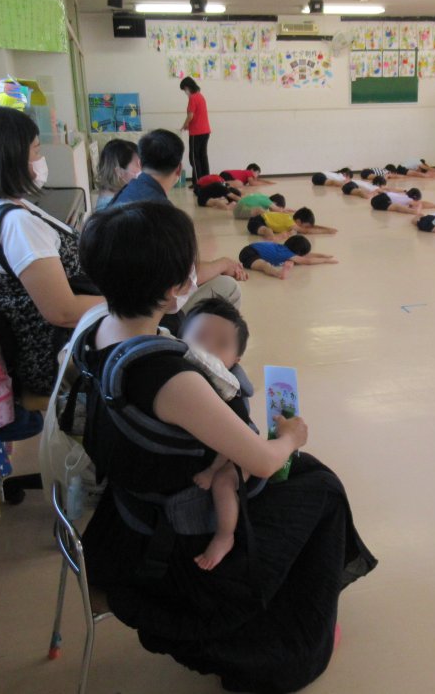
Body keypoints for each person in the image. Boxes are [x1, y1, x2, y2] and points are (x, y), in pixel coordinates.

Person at [76, 202, 375, 693]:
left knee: (302, 478)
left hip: (129, 507)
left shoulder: (98, 329)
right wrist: (292, 437)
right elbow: (261, 457)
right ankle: (298, 629)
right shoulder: (171, 378)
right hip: (175, 541)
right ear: (176, 287)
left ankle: (290, 596)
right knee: (318, 484)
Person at [0, 105, 104, 396]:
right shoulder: (17, 225)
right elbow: (62, 311)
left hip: (41, 349)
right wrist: (133, 301)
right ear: (10, 158)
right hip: (55, 357)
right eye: (36, 151)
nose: (41, 160)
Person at [111, 129, 248, 310]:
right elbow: (185, 280)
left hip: (115, 299)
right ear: (179, 169)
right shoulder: (169, 217)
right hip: (147, 310)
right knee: (228, 287)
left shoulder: (121, 196)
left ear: (140, 162)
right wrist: (223, 263)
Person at [180, 298, 252, 570]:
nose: (208, 348)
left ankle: (225, 537)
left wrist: (212, 471)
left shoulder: (227, 393)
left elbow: (233, 443)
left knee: (223, 484)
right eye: (199, 338)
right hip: (219, 444)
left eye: (222, 345)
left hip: (237, 453)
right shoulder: (181, 376)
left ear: (235, 360)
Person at [238, 236, 338, 279]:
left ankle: (279, 272)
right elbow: (307, 261)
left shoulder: (285, 248)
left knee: (264, 263)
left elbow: (306, 255)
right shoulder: (287, 254)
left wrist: (323, 255)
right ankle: (279, 274)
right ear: (298, 253)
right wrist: (325, 260)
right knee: (265, 265)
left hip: (251, 249)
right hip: (250, 254)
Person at [180, 77, 211, 187]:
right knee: (202, 156)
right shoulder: (200, 96)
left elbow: (191, 115)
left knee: (194, 158)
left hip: (197, 132)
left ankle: (198, 182)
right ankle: (206, 180)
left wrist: (184, 125)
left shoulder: (193, 98)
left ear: (188, 87)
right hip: (205, 131)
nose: (185, 92)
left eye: (184, 89)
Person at [94, 139, 140, 210]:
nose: (142, 169)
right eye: (138, 164)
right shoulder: (113, 209)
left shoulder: (118, 196)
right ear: (119, 172)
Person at [247, 208, 337, 240]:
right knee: (268, 231)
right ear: (298, 222)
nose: (306, 228)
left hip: (262, 219)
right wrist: (327, 231)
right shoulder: (291, 222)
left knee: (268, 229)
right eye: (305, 226)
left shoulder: (291, 217)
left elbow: (310, 227)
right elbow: (305, 231)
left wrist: (327, 228)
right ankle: (272, 239)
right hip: (257, 222)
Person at [369, 187, 435, 214]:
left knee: (397, 205)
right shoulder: (410, 199)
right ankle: (414, 212)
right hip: (381, 201)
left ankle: (414, 210)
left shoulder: (404, 194)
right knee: (397, 207)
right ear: (415, 197)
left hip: (377, 199)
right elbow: (423, 203)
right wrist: (419, 206)